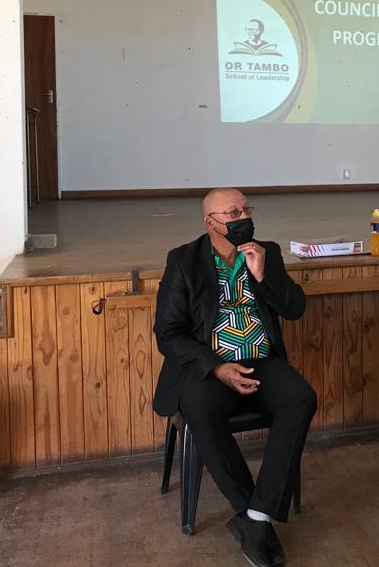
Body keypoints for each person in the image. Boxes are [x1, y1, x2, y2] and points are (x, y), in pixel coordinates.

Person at [153, 188, 316, 567]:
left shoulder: (266, 252)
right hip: (209, 367)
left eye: (246, 210)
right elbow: (168, 332)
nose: (244, 218)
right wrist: (216, 367)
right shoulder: (183, 260)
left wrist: (263, 276)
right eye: (233, 213)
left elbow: (294, 308)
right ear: (210, 223)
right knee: (199, 407)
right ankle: (251, 511)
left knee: (301, 397)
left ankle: (256, 518)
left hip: (261, 360)